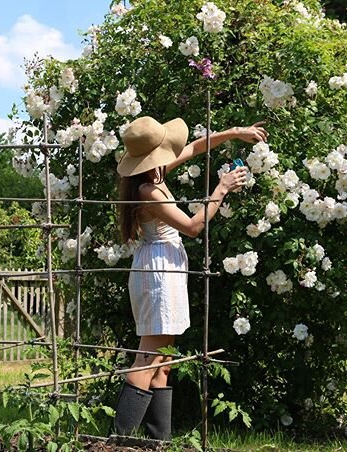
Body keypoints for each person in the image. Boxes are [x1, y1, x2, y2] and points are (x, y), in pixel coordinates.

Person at [113, 116, 267, 440]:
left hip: (162, 267)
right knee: (148, 357)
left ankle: (159, 440)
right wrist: (222, 188)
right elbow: (194, 227)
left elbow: (196, 147)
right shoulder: (148, 191)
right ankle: (118, 441)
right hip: (158, 271)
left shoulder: (153, 174)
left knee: (163, 361)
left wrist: (235, 132)